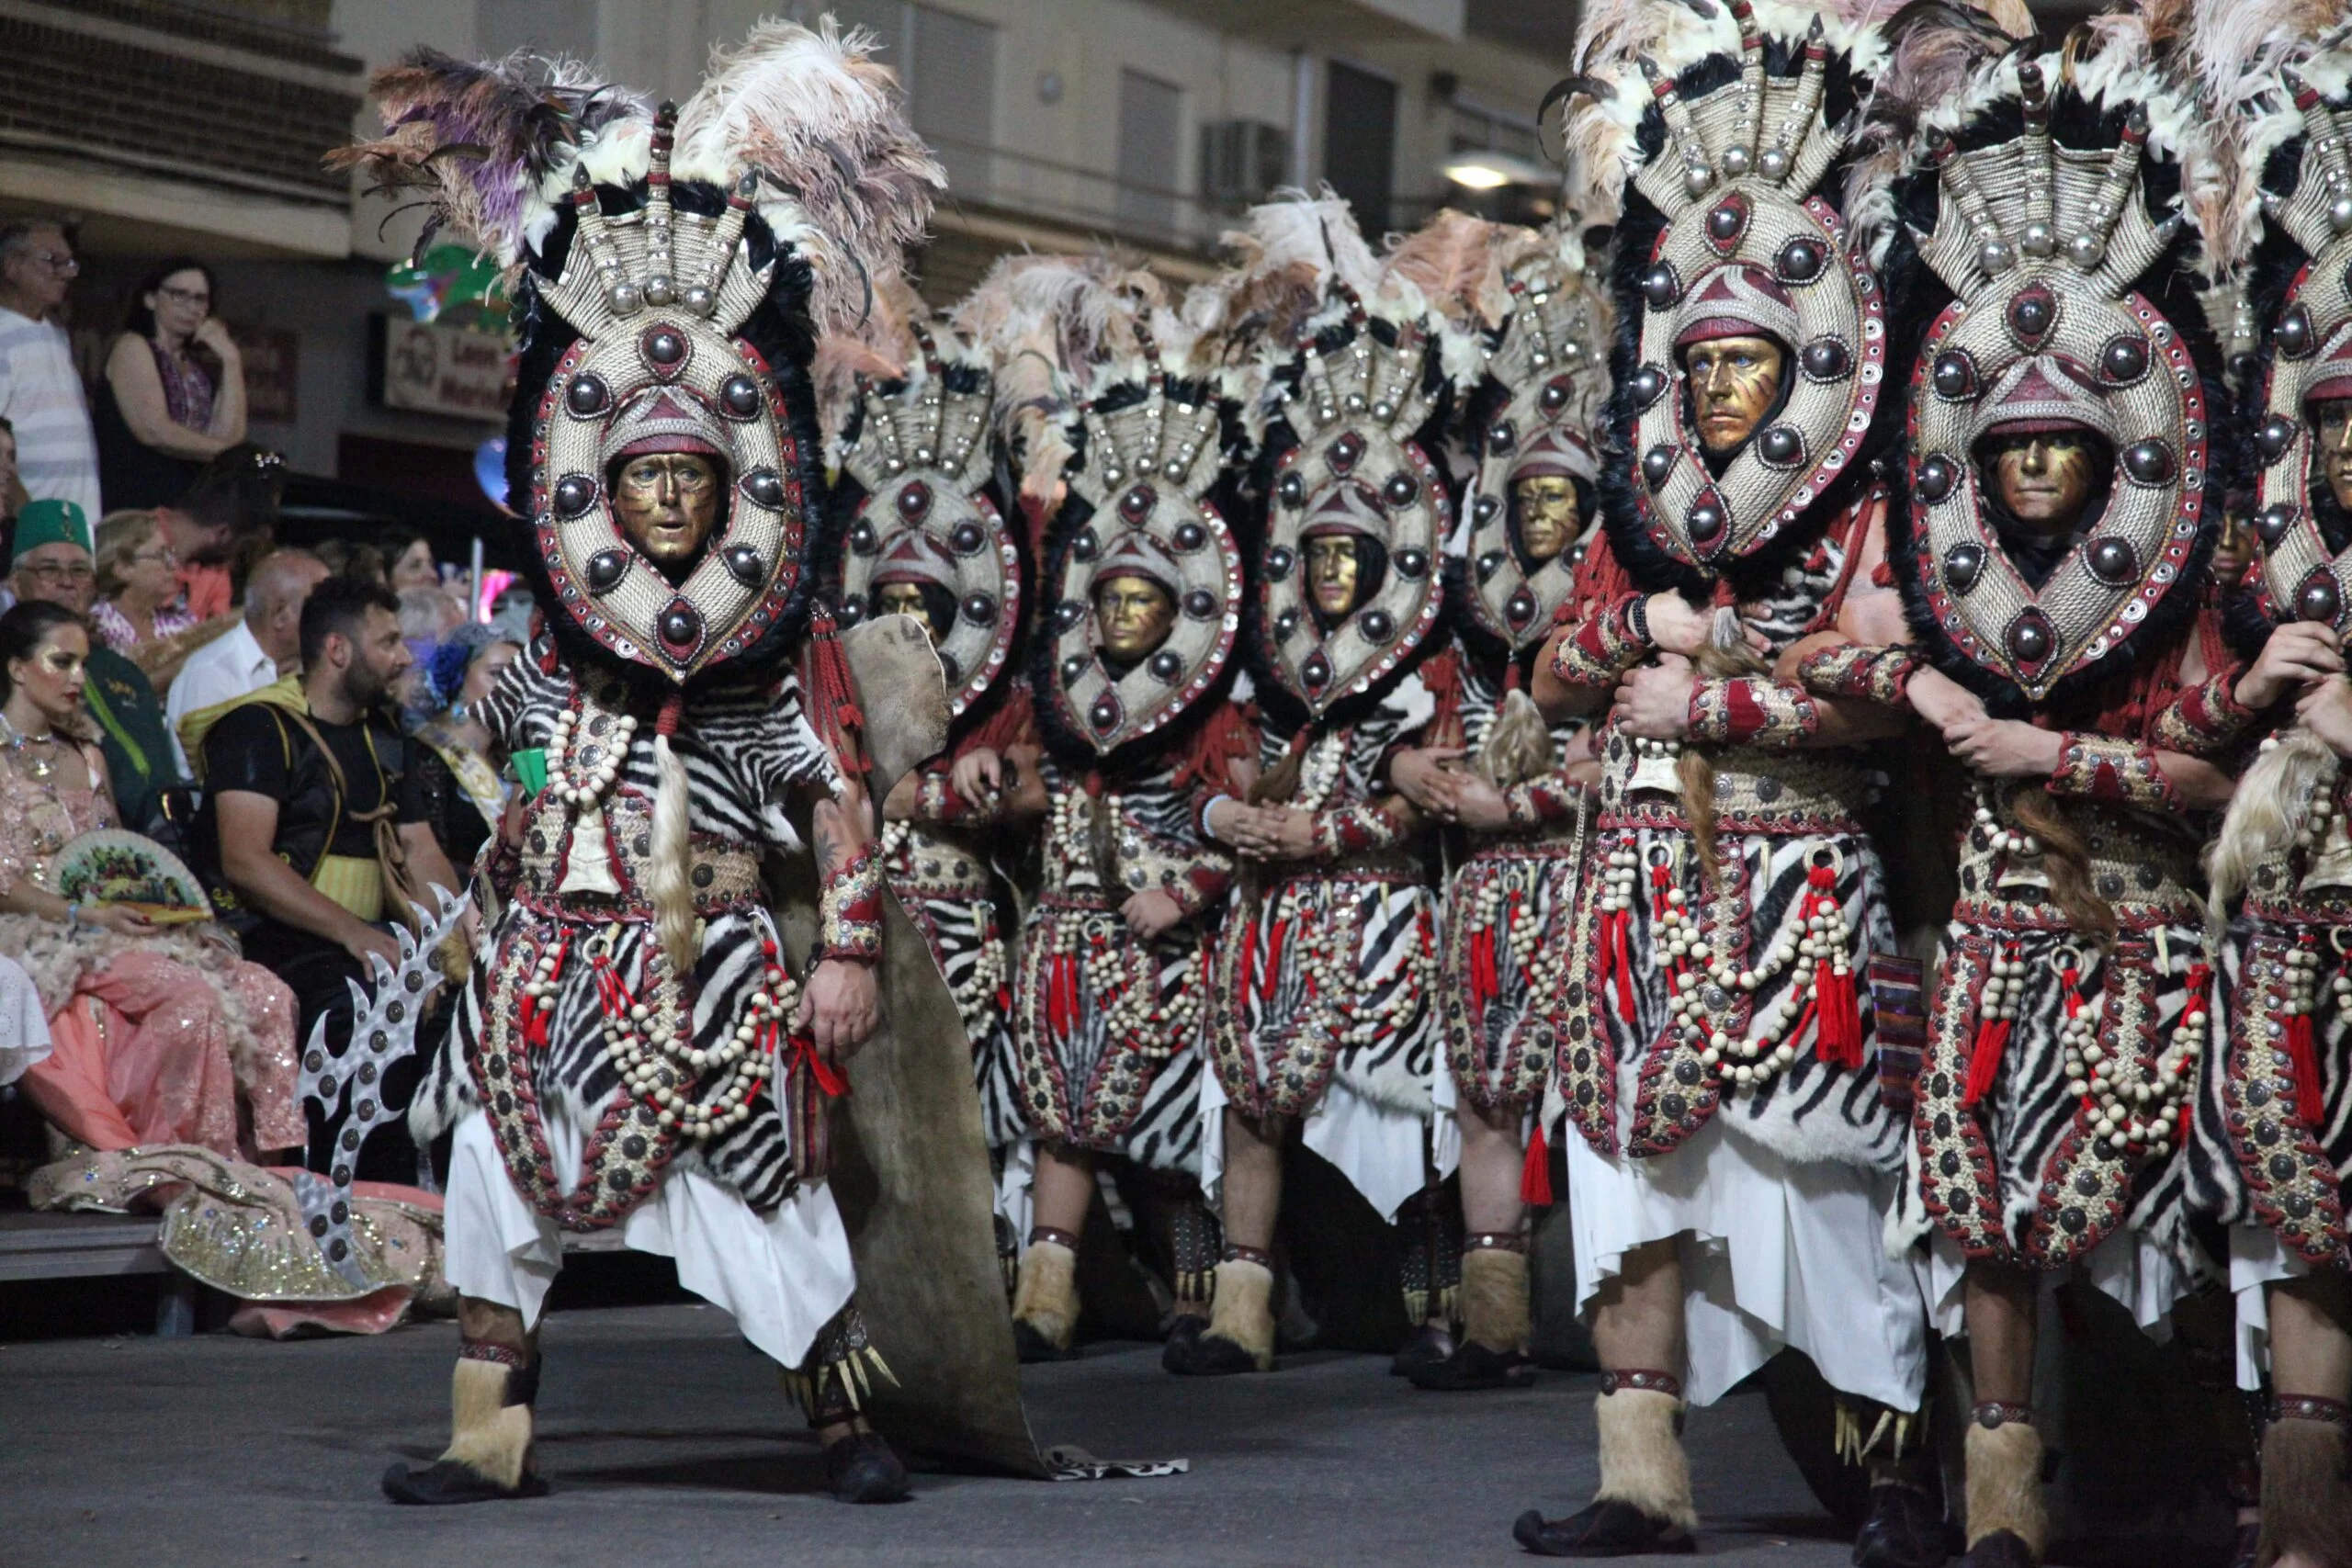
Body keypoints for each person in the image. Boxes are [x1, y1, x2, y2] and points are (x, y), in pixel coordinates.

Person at [334, 42, 945, 1507]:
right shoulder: (549, 646)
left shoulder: (759, 652)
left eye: (690, 480)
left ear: (730, 489)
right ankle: (490, 1439)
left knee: (768, 1194)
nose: (668, 498)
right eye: (643, 481)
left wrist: (846, 946)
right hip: (544, 962)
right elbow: (527, 767)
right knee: (490, 1182)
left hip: (707, 966)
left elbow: (836, 803)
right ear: (599, 494)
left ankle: (848, 1427)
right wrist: (505, 801)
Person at [1819, 44, 2262, 1568]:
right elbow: (1841, 651)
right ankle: (1999, 1510)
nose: (2026, 475)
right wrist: (1928, 699)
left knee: (2182, 1234)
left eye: (2057, 445)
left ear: (2116, 443)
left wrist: (2052, 758)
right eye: (2002, 451)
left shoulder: (2197, 582)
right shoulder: (1953, 581)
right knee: (1974, 1212)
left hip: (2151, 942)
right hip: (1995, 937)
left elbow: (2214, 781)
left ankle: (2215, 1476)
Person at [1514, 9, 1935, 1559]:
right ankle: (1642, 1478)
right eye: (1701, 361)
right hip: (1627, 880)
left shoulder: (1862, 508)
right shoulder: (1640, 507)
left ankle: (1893, 1475)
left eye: (1750, 358)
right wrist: (1646, 623)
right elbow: (1552, 668)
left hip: (1795, 876)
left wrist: (1723, 689)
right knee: (1626, 1176)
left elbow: (1892, 701)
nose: (1724, 387)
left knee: (1822, 1173)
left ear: (1802, 354)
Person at [1177, 197, 1454, 1380]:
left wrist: (1337, 825)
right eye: (1318, 555)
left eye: (1357, 556)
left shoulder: (1431, 661)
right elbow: (1200, 760)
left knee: (1415, 1114)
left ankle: (1448, 1308)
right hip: (1267, 915)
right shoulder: (1258, 657)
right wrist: (1226, 818)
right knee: (1249, 1098)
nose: (1335, 572)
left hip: (1384, 912)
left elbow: (1444, 782)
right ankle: (1239, 1306)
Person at [962, 275, 1245, 1364]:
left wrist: (1185, 891)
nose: (1122, 616)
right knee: (1059, 1119)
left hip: (1161, 944)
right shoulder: (1056, 695)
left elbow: (1240, 842)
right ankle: (1046, 1297)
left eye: (1144, 603)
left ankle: (1201, 1296)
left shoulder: (1212, 715)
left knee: (1171, 1130)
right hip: (1063, 941)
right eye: (1109, 600)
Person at [1383, 214, 1606, 1393]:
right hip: (1482, 887)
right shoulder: (1473, 606)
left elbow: (1631, 748)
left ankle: (1622, 1328)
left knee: (1598, 1102)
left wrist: (1529, 806)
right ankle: (1492, 1322)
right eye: (1525, 504)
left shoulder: (1617, 608)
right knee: (1482, 1096)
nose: (1540, 522)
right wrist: (1410, 772)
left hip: (1589, 877)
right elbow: (1420, 720)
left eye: (1562, 504)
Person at [2196, 41, 2352, 1568]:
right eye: (2337, 422)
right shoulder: (2270, 558)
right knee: (2290, 1199)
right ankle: (2302, 1529)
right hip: (2291, 902)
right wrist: (2260, 694)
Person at [831, 277, 1032, 1284]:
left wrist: (950, 792)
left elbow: (1028, 793)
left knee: (966, 1102)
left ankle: (981, 1276)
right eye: (892, 599)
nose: (908, 621)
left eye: (927, 602)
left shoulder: (1004, 700)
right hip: (866, 920)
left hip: (959, 928)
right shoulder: (841, 693)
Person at [0, 599, 300, 1160]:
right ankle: (194, 1161)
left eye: (83, 664)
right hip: (35, 929)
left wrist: (161, 909)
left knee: (266, 991)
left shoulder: (88, 754)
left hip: (104, 922)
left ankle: (272, 1162)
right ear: (17, 668)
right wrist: (83, 915)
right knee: (188, 996)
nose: (77, 678)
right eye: (61, 662)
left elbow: (115, 857)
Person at [197, 574, 463, 1184]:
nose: (404, 656)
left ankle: (438, 1208)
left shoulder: (388, 736)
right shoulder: (258, 728)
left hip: (373, 939)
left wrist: (461, 946)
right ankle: (353, 1199)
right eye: (390, 641)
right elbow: (246, 862)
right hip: (278, 939)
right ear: (338, 649)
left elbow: (420, 851)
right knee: (365, 1007)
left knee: (465, 1010)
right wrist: (355, 933)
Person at [7, 498, 188, 844]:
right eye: (49, 569)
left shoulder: (121, 671)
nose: (66, 582)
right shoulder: (7, 665)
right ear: (16, 583)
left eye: (79, 571)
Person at [95, 257, 249, 510]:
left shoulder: (196, 367)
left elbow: (230, 436)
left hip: (188, 507)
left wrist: (231, 360)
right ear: (151, 300)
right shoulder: (133, 346)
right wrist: (227, 454)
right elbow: (154, 431)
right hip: (136, 504)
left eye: (200, 299)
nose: (191, 307)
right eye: (179, 295)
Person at [166, 546, 325, 775]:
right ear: (280, 614)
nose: (330, 620)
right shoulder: (212, 672)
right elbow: (223, 777)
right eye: (320, 609)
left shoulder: (308, 667)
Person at [0, 218, 98, 518]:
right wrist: (31, 519)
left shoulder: (55, 333)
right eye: (53, 261)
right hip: (31, 528)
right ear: (12, 267)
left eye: (70, 264)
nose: (66, 274)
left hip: (75, 522)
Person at [409, 626, 519, 872]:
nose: (512, 688)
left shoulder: (508, 760)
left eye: (519, 677)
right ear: (458, 675)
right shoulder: (426, 754)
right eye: (498, 674)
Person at [90, 509, 217, 689]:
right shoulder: (96, 627)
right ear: (122, 569)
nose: (173, 565)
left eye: (171, 554)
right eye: (161, 555)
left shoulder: (181, 621)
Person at [160, 443, 286, 624]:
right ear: (224, 533)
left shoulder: (217, 577)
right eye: (242, 546)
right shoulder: (131, 543)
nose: (234, 560)